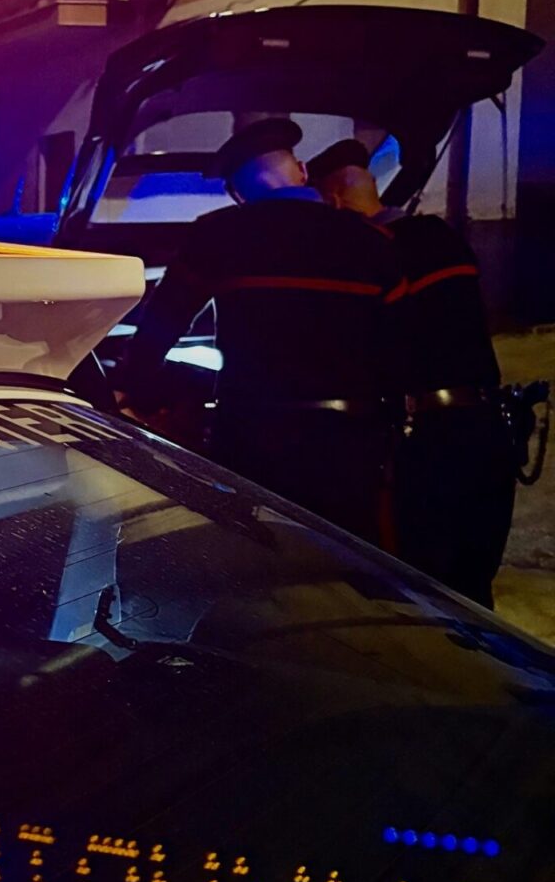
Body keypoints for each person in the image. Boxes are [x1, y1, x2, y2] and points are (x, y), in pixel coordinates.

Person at [114, 117, 403, 542]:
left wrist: (130, 390)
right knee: (343, 563)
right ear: (301, 171)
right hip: (349, 446)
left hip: (252, 440)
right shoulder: (373, 241)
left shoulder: (219, 234)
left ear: (237, 191)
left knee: (256, 562)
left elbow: (164, 321)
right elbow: (398, 347)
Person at [308, 137, 515, 605]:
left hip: (425, 439)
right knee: (474, 583)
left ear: (334, 200)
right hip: (487, 427)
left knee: (423, 587)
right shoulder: (442, 237)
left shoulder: (371, 253)